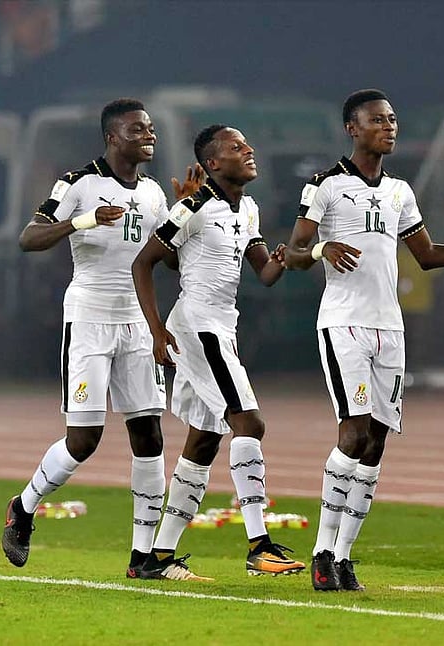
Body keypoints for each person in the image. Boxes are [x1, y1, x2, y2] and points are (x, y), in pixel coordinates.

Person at [284, 88, 444, 592]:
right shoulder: (325, 186)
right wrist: (320, 250)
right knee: (353, 433)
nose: (389, 127)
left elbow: (430, 256)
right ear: (352, 128)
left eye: (393, 119)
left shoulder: (400, 191)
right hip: (343, 324)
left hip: (389, 329)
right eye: (378, 120)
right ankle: (322, 552)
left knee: (375, 444)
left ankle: (345, 557)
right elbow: (291, 251)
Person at [2, 98, 203, 577]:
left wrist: (185, 215)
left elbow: (165, 259)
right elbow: (30, 237)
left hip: (137, 320)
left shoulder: (154, 192)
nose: (149, 136)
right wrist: (84, 220)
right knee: (84, 438)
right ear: (113, 137)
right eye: (138, 130)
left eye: (151, 129)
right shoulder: (77, 183)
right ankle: (24, 507)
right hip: (90, 318)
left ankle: (142, 558)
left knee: (149, 433)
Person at [131, 124, 303, 581]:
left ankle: (156, 556)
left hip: (223, 326)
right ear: (212, 164)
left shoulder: (248, 208)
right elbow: (145, 261)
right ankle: (259, 545)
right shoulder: (193, 207)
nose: (249, 150)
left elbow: (263, 272)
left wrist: (283, 259)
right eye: (235, 147)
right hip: (197, 326)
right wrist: (156, 331)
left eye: (248, 143)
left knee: (205, 438)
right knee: (249, 422)